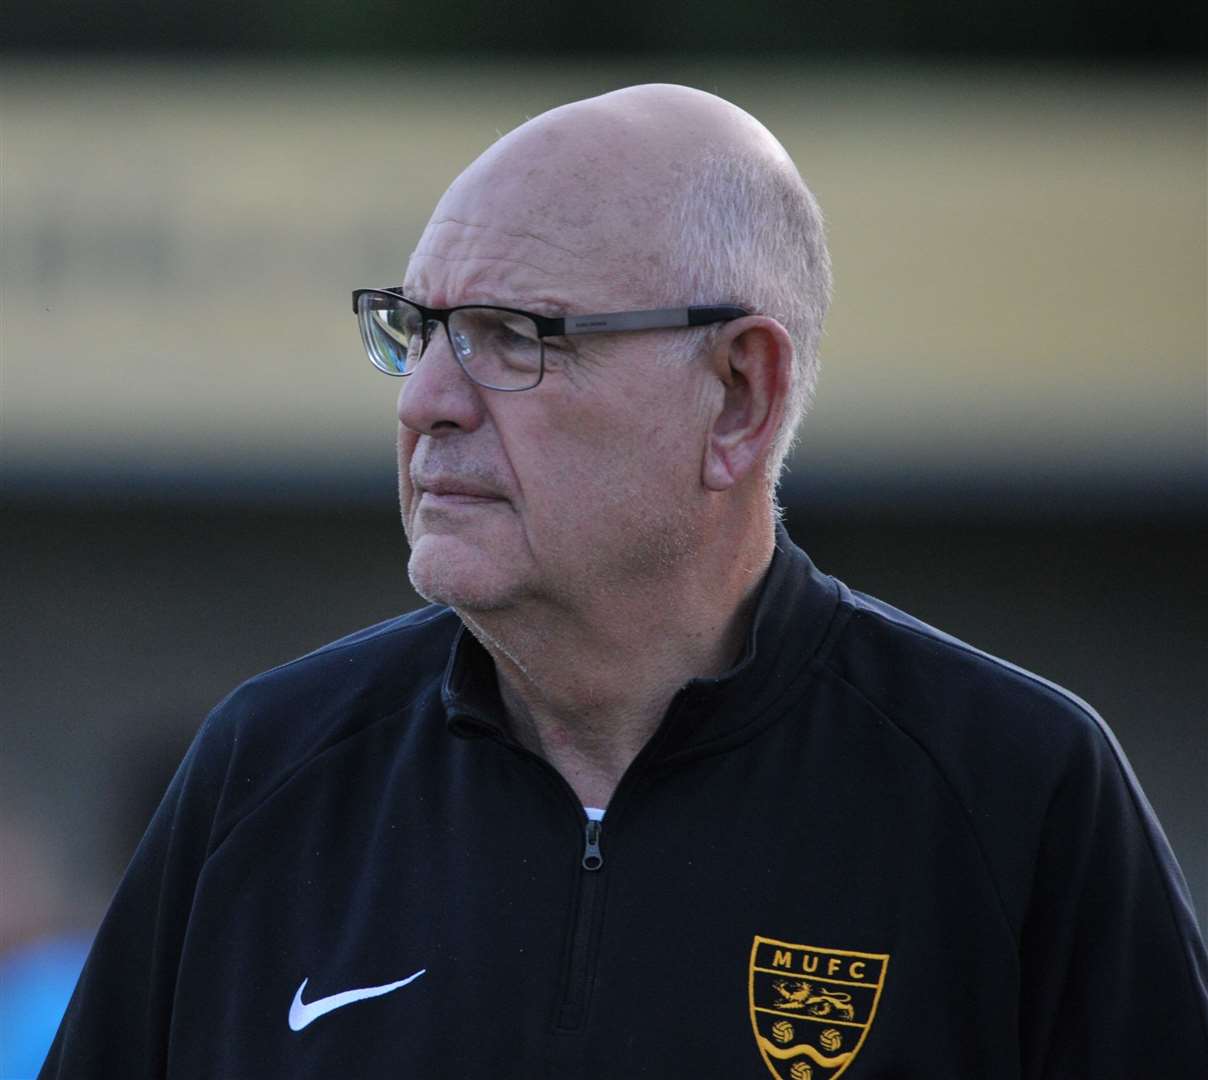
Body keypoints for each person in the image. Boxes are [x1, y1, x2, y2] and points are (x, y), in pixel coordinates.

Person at [42, 84, 1205, 1079]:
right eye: (416, 329)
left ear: (738, 395)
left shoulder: (1013, 792)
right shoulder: (268, 770)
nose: (424, 403)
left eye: (511, 335)